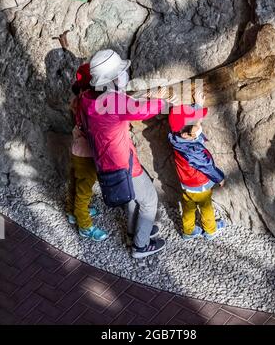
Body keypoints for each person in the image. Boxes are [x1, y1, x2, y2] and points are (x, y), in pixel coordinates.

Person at [80, 49, 172, 258]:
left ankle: (134, 232)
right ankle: (140, 246)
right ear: (112, 79)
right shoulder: (113, 102)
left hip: (104, 161)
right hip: (123, 162)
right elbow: (142, 111)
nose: (124, 74)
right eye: (120, 72)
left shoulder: (87, 98)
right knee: (149, 200)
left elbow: (121, 105)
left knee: (131, 198)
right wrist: (160, 99)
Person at [168, 104, 226, 240]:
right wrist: (219, 178)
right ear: (187, 135)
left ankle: (188, 231)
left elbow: (180, 118)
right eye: (198, 124)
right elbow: (206, 166)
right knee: (206, 208)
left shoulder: (174, 137)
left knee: (188, 207)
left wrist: (198, 105)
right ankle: (210, 231)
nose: (200, 123)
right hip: (200, 184)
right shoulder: (193, 150)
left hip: (186, 183)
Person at [65, 63, 108, 241]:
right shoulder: (90, 102)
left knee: (75, 181)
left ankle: (72, 211)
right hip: (87, 153)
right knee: (84, 192)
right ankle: (85, 226)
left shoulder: (77, 99)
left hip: (76, 150)